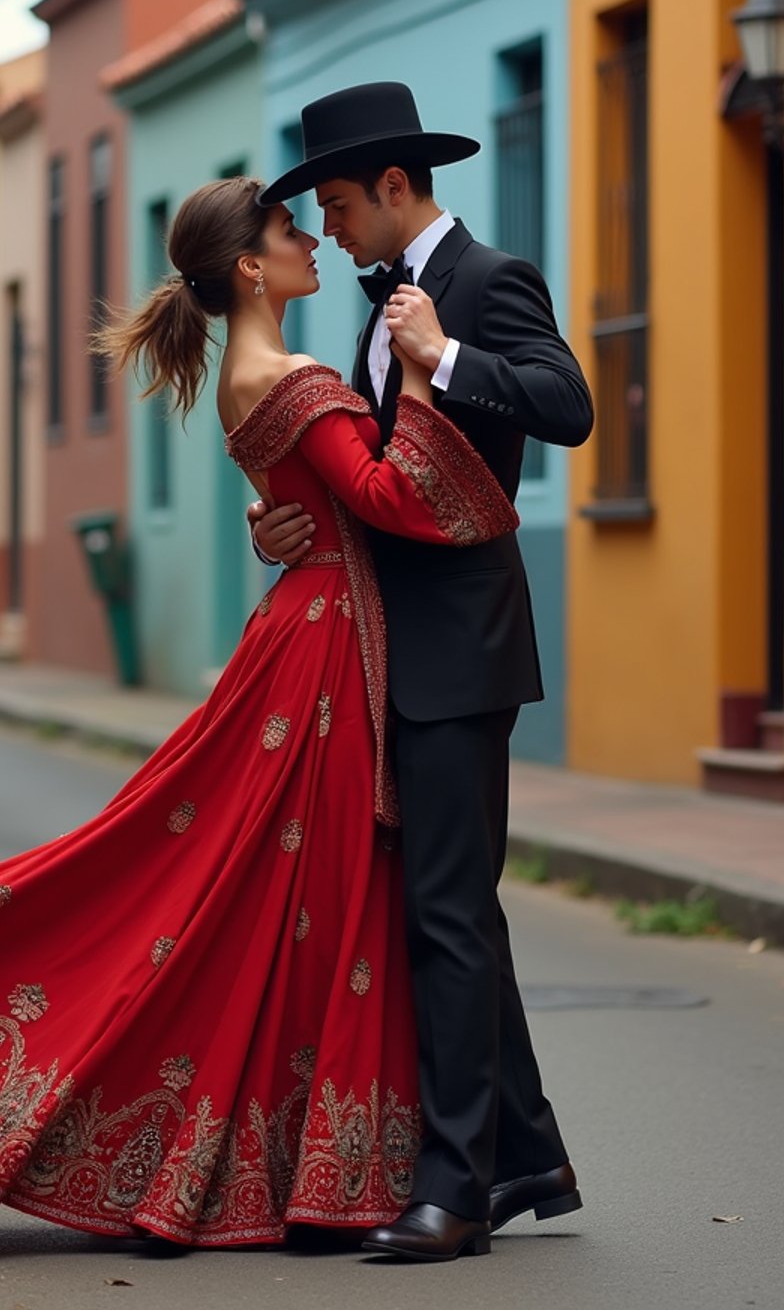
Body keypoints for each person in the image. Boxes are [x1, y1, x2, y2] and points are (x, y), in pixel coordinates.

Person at [0, 175, 518, 1253]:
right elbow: (395, 499)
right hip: (321, 653)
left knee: (244, 889)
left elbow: (306, 500)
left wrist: (281, 521)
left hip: (309, 629)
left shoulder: (253, 373)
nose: (312, 239)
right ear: (250, 267)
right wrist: (422, 378)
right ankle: (307, 1164)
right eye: (288, 230)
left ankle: (371, 1157)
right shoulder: (293, 373)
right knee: (292, 896)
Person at [252, 83, 594, 1262]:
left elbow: (568, 407)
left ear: (396, 188)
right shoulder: (377, 299)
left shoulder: (485, 282)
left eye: (340, 205)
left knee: (444, 913)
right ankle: (529, 1151)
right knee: (451, 911)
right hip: (388, 643)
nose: (332, 230)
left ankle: (455, 1187)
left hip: (457, 647)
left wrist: (444, 355)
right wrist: (286, 527)